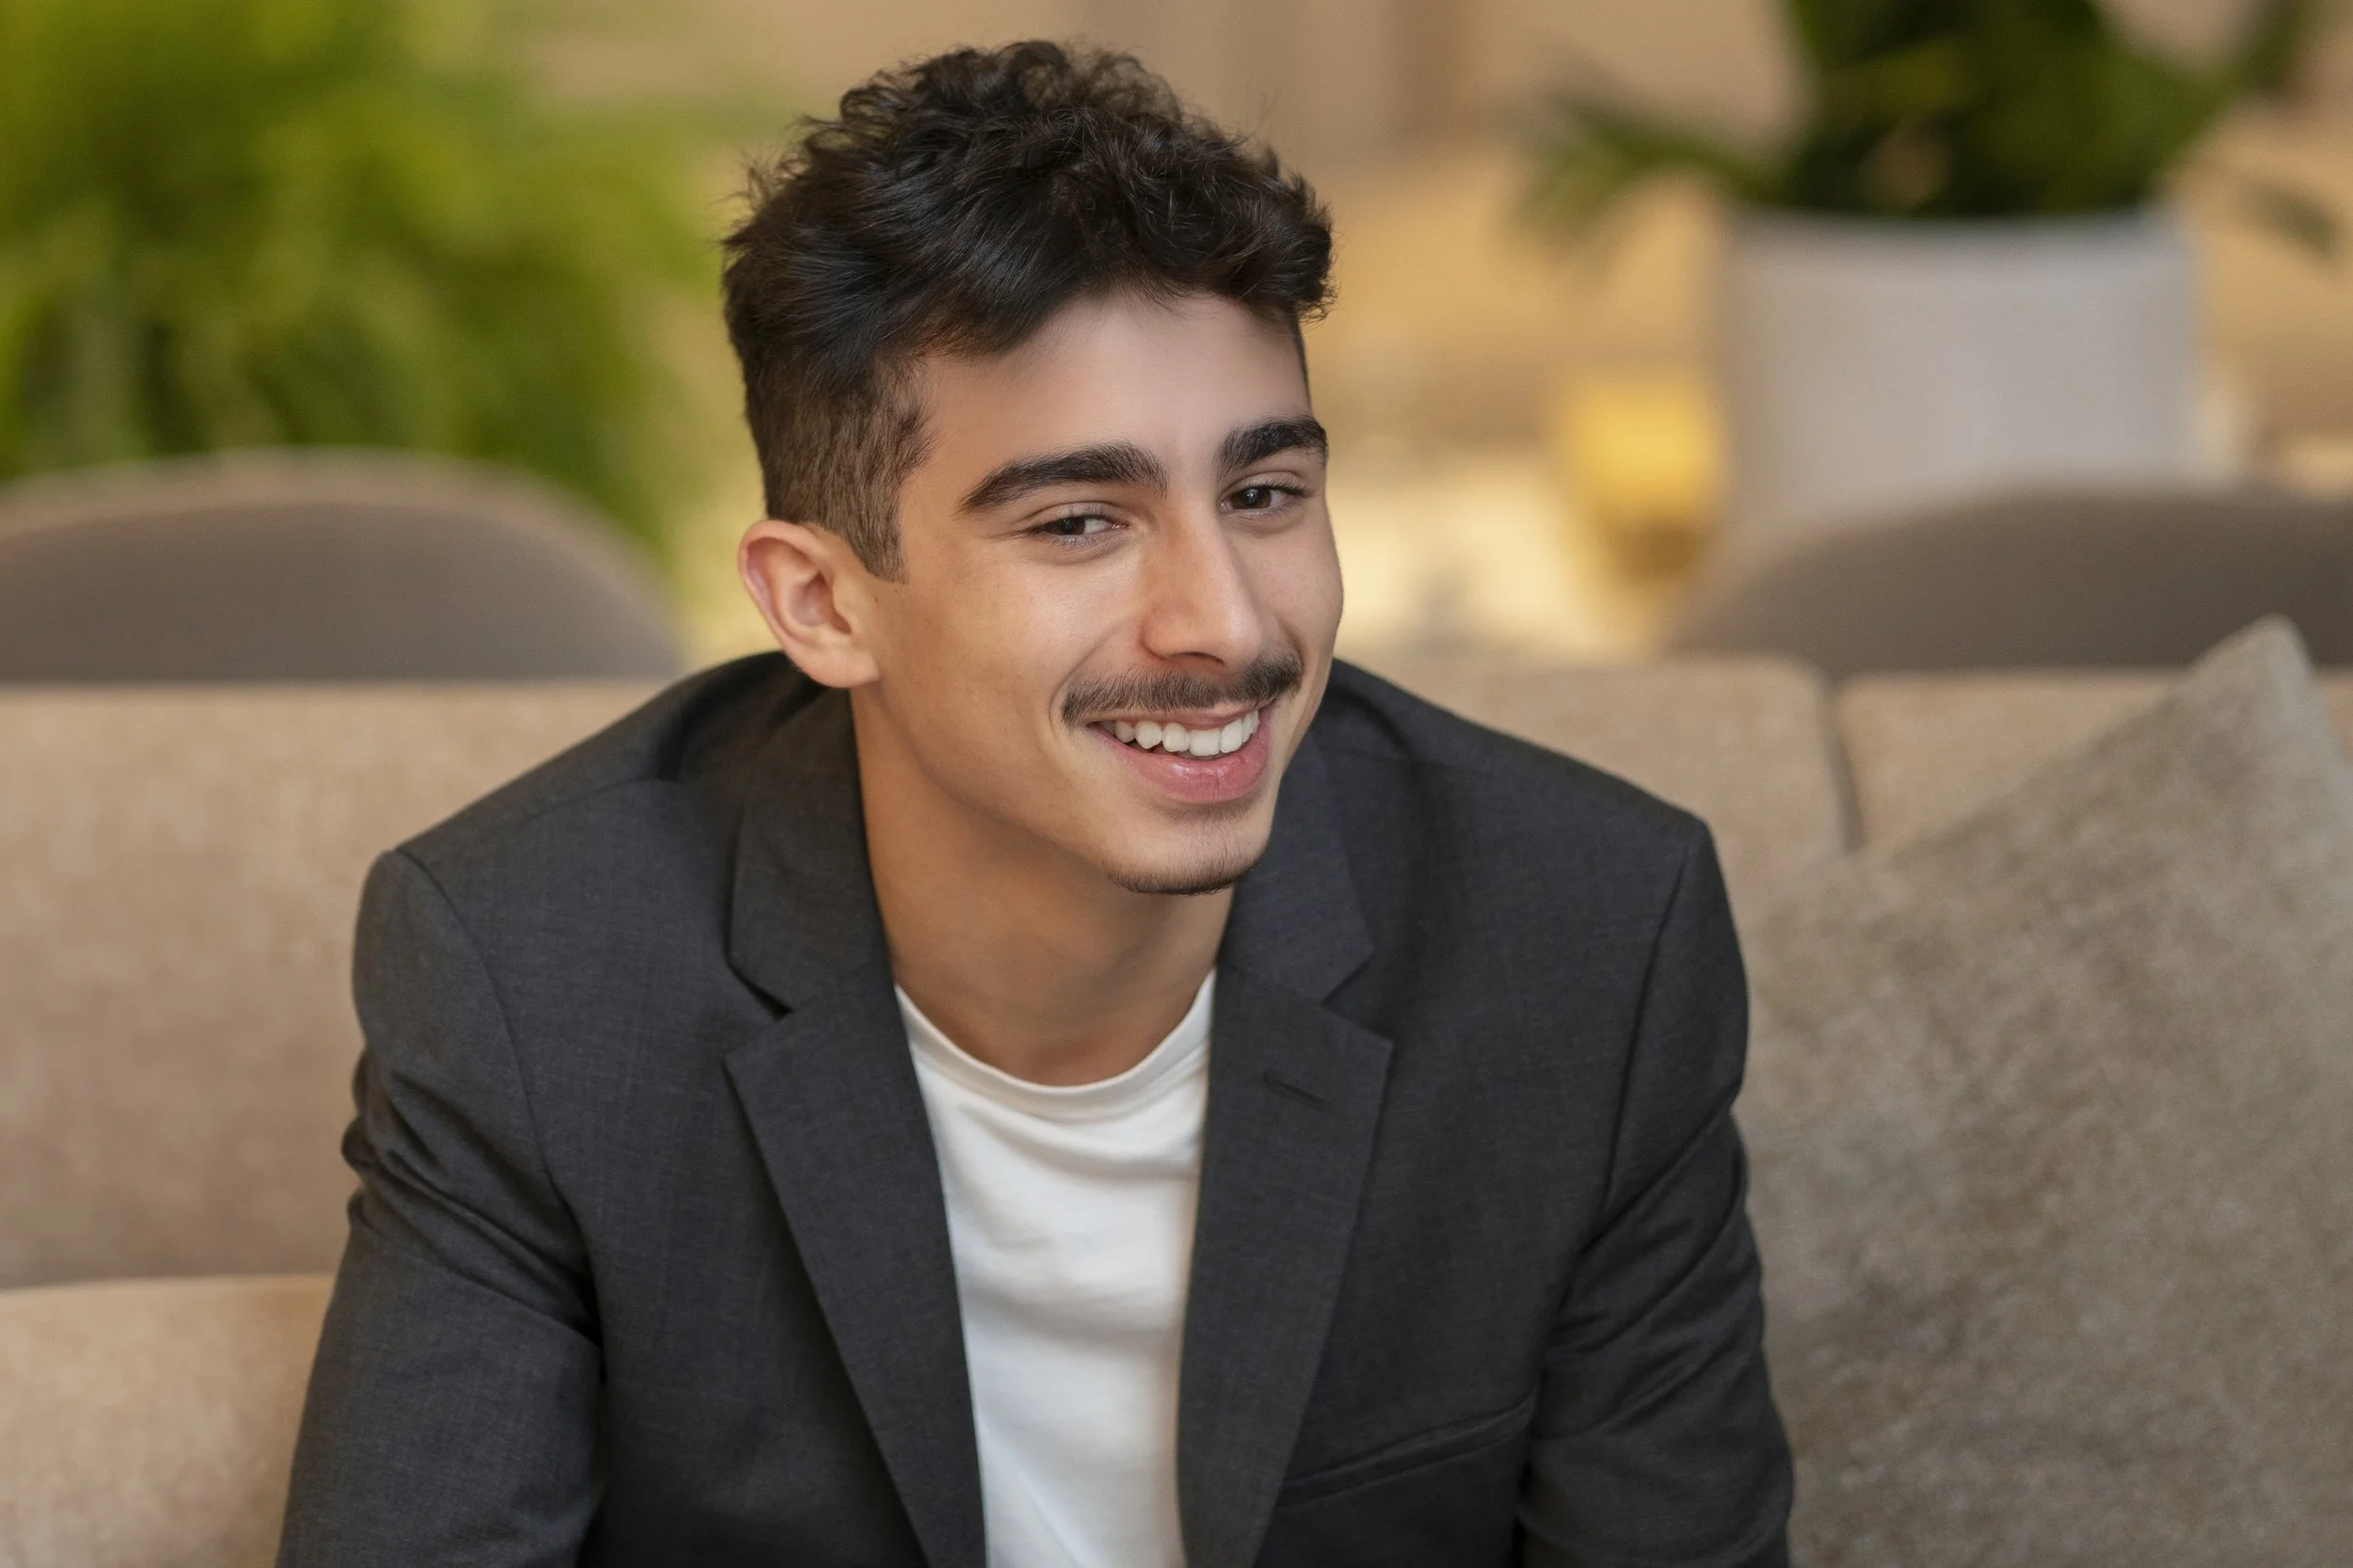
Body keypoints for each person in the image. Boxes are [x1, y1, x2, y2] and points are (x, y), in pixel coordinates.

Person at [278, 40, 1790, 1568]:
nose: (1225, 624)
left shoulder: (1589, 939)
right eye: (1080, 522)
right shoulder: (535, 972)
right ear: (821, 602)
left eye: (1265, 494)